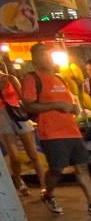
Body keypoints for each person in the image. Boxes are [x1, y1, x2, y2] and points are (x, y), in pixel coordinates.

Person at [19, 43, 91, 215]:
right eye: (41, 55)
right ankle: (48, 194)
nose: (46, 58)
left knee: (82, 166)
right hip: (51, 132)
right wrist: (56, 105)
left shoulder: (59, 78)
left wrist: (73, 108)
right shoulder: (32, 78)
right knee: (57, 169)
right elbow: (28, 105)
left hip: (71, 130)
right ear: (34, 60)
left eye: (47, 54)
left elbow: (67, 102)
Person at [0, 59, 46, 197]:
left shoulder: (10, 78)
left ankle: (44, 187)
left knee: (32, 153)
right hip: (2, 117)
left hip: (18, 114)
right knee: (14, 156)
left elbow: (22, 96)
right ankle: (18, 180)